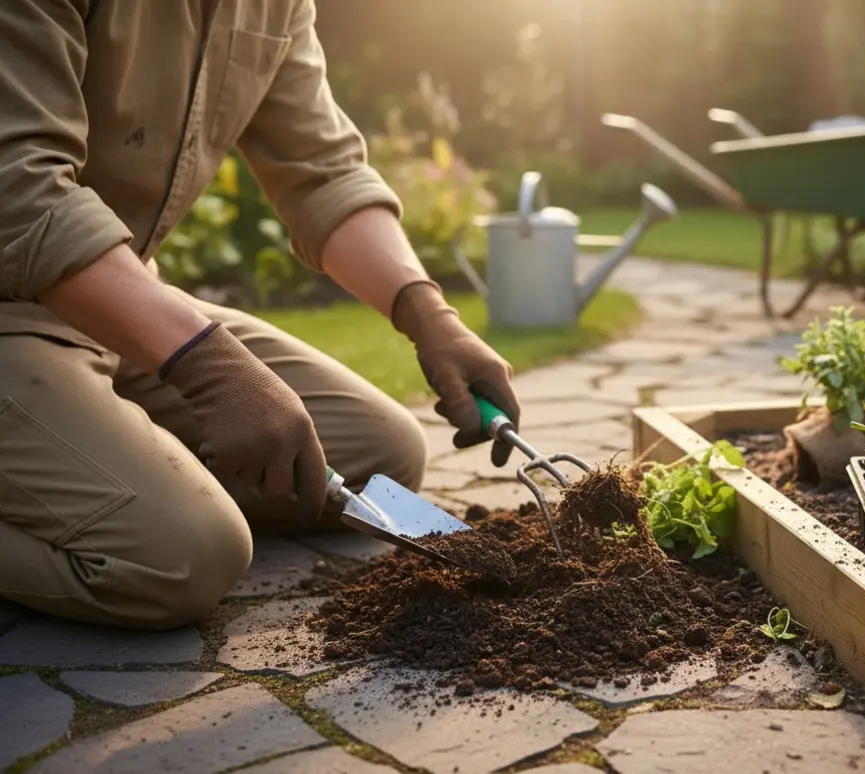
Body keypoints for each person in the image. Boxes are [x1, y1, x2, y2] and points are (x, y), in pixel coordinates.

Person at [0, 0, 522, 630]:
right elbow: (20, 193)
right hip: (13, 301)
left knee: (381, 454)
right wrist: (213, 368)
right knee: (184, 557)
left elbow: (323, 172)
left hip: (114, 301)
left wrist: (427, 312)